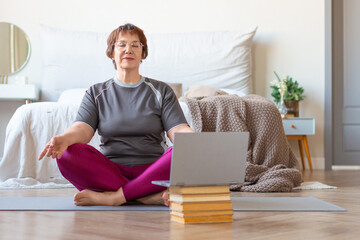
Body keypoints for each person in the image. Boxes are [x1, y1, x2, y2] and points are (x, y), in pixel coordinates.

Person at [38, 23, 194, 206]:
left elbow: (178, 129)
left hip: (153, 169)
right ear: (112, 52)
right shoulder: (96, 92)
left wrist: (193, 142)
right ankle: (146, 195)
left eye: (135, 45)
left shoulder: (162, 91)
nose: (129, 49)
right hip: (110, 172)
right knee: (67, 154)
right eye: (122, 45)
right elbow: (82, 129)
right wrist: (64, 138)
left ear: (143, 54)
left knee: (185, 150)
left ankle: (115, 197)